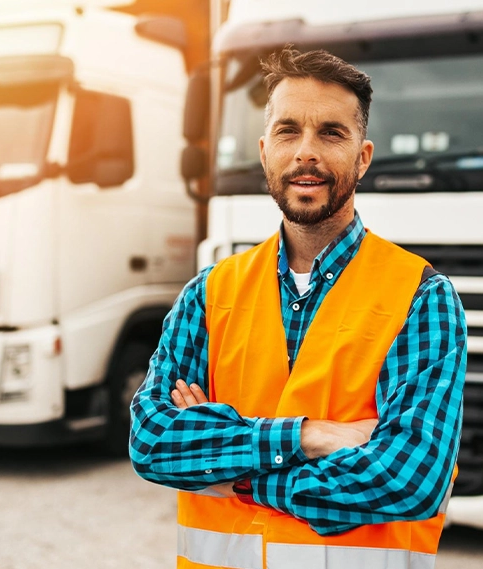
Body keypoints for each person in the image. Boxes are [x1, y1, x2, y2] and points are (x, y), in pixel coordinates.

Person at [129, 47, 466, 569]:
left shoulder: (421, 297)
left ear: (363, 156)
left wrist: (233, 471)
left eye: (331, 133)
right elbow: (152, 442)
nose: (305, 152)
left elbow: (409, 479)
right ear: (265, 151)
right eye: (288, 131)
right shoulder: (207, 294)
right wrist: (312, 435)